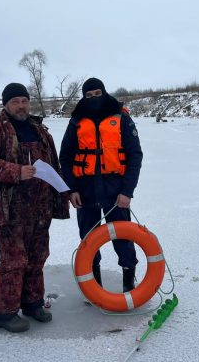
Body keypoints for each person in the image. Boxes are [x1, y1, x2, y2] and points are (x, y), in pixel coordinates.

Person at [0, 83, 69, 333]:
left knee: (38, 256)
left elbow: (54, 165)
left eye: (24, 101)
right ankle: (5, 312)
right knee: (13, 260)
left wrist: (64, 192)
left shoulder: (39, 130)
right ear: (6, 104)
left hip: (40, 207)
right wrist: (17, 171)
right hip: (10, 208)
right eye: (15, 101)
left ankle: (33, 303)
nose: (21, 106)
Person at [59, 78, 143, 293]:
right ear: (84, 97)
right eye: (89, 96)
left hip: (115, 191)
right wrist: (72, 189)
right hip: (85, 191)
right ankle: (93, 285)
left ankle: (128, 283)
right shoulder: (76, 121)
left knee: (123, 237)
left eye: (98, 94)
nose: (94, 99)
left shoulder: (121, 118)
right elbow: (66, 157)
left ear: (104, 93)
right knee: (88, 238)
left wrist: (127, 191)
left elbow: (134, 155)